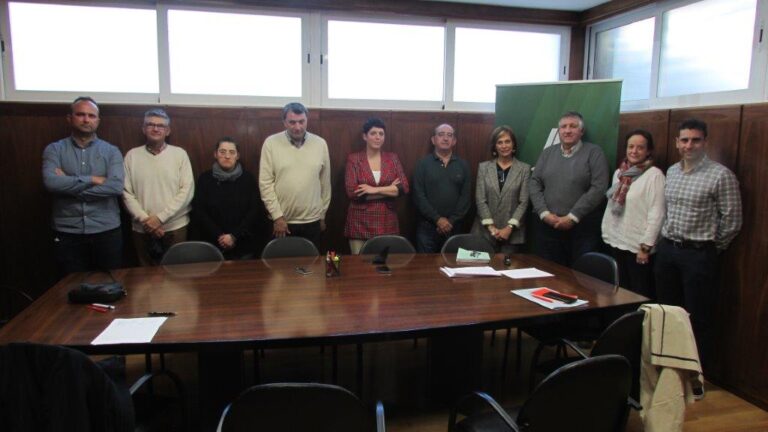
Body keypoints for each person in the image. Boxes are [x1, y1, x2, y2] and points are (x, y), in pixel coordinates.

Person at [655, 118, 742, 370]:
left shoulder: (720, 175)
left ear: (705, 142)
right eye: (684, 140)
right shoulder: (671, 171)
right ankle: (668, 368)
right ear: (677, 142)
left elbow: (732, 220)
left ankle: (694, 373)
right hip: (668, 249)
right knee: (667, 312)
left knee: (697, 316)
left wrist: (711, 248)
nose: (689, 145)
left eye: (695, 140)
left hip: (699, 254)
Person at [42, 96, 125, 275]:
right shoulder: (54, 149)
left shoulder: (111, 151)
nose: (86, 119)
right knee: (70, 289)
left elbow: (116, 187)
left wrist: (69, 186)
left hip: (106, 230)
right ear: (70, 118)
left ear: (98, 120)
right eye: (80, 114)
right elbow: (51, 183)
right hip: (67, 232)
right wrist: (92, 179)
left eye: (91, 115)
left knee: (111, 285)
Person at [529, 111, 609, 267]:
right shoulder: (547, 153)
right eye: (563, 127)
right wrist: (544, 213)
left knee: (581, 279)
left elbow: (599, 187)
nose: (567, 130)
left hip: (582, 228)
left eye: (573, 126)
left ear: (582, 131)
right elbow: (534, 183)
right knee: (549, 274)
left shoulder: (594, 153)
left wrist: (572, 217)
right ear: (558, 131)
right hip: (548, 227)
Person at [123, 109, 194, 265]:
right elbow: (126, 193)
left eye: (160, 126)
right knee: (146, 279)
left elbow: (187, 191)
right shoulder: (131, 156)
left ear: (167, 131)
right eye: (150, 124)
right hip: (142, 228)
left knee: (177, 278)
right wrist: (146, 220)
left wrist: (160, 218)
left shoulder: (179, 155)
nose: (155, 129)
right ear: (143, 129)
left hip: (175, 227)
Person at [601, 129, 665, 298]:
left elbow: (657, 214)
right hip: (616, 241)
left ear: (648, 151)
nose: (634, 151)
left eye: (640, 148)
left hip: (637, 247)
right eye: (631, 147)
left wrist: (645, 247)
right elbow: (611, 206)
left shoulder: (654, 176)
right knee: (619, 292)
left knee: (637, 294)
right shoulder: (620, 173)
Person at [259, 102, 331, 249]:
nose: (297, 127)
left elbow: (325, 183)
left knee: (311, 269)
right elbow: (265, 184)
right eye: (292, 122)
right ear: (284, 122)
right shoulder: (271, 143)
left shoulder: (320, 144)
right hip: (282, 222)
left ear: (307, 120)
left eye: (301, 122)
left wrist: (322, 215)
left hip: (312, 222)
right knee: (280, 270)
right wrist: (277, 216)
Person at [344, 118, 410, 254]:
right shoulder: (354, 159)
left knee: (386, 266)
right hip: (359, 222)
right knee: (360, 266)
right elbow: (353, 192)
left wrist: (374, 189)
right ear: (365, 136)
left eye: (381, 134)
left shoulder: (392, 158)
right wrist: (390, 190)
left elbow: (404, 188)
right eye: (373, 133)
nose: (378, 137)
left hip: (387, 220)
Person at [193, 137, 259, 259]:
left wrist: (234, 236)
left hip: (243, 242)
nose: (227, 156)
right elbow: (199, 210)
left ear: (237, 156)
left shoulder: (248, 179)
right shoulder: (204, 179)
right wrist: (220, 236)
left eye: (231, 152)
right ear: (215, 154)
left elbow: (254, 210)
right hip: (212, 243)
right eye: (222, 152)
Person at [470, 125, 531, 254]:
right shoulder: (484, 168)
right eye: (500, 142)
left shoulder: (524, 169)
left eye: (507, 141)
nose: (504, 146)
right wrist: (492, 228)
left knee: (507, 272)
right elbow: (480, 200)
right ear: (495, 146)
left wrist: (509, 228)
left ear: (513, 145)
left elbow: (524, 202)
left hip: (512, 235)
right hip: (484, 233)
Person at [412, 123, 471, 253]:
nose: (445, 138)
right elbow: (418, 195)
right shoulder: (422, 164)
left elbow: (466, 197)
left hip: (454, 227)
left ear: (454, 141)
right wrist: (437, 219)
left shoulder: (463, 165)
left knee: (453, 267)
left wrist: (451, 221)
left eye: (449, 135)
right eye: (441, 135)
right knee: (426, 269)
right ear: (433, 140)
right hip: (427, 227)